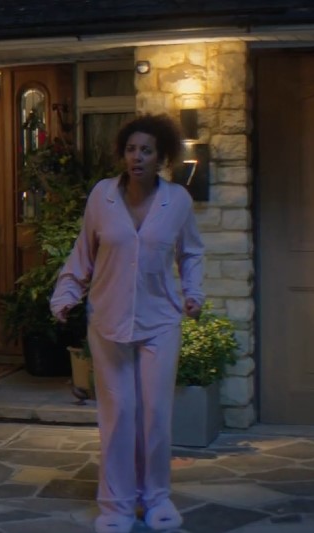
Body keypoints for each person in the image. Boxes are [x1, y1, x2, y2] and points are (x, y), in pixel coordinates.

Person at [49, 114, 205, 533]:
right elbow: (84, 252)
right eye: (131, 149)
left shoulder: (178, 201)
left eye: (146, 151)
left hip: (160, 321)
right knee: (118, 414)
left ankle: (156, 499)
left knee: (155, 413)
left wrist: (193, 293)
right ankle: (116, 505)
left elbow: (191, 252)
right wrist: (66, 294)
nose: (137, 157)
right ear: (123, 153)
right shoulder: (102, 197)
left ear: (161, 157)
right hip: (108, 320)